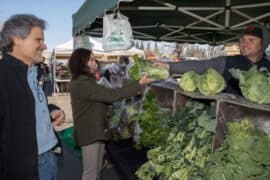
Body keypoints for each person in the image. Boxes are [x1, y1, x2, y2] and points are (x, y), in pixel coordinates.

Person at [68, 48, 154, 180]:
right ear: (81, 63)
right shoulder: (82, 83)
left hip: (95, 131)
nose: (95, 62)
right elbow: (112, 96)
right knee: (90, 174)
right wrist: (139, 83)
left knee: (96, 170)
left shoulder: (85, 81)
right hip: (90, 133)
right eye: (91, 60)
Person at [0, 14, 65, 180]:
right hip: (24, 169)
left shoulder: (32, 72)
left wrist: (52, 110)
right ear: (17, 39)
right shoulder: (3, 76)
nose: (44, 45)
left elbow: (28, 108)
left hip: (50, 157)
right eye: (38, 40)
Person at [159, 24, 270, 95]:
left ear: (263, 44)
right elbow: (202, 66)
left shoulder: (268, 66)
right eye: (242, 40)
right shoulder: (227, 61)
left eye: (251, 40)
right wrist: (170, 66)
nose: (244, 44)